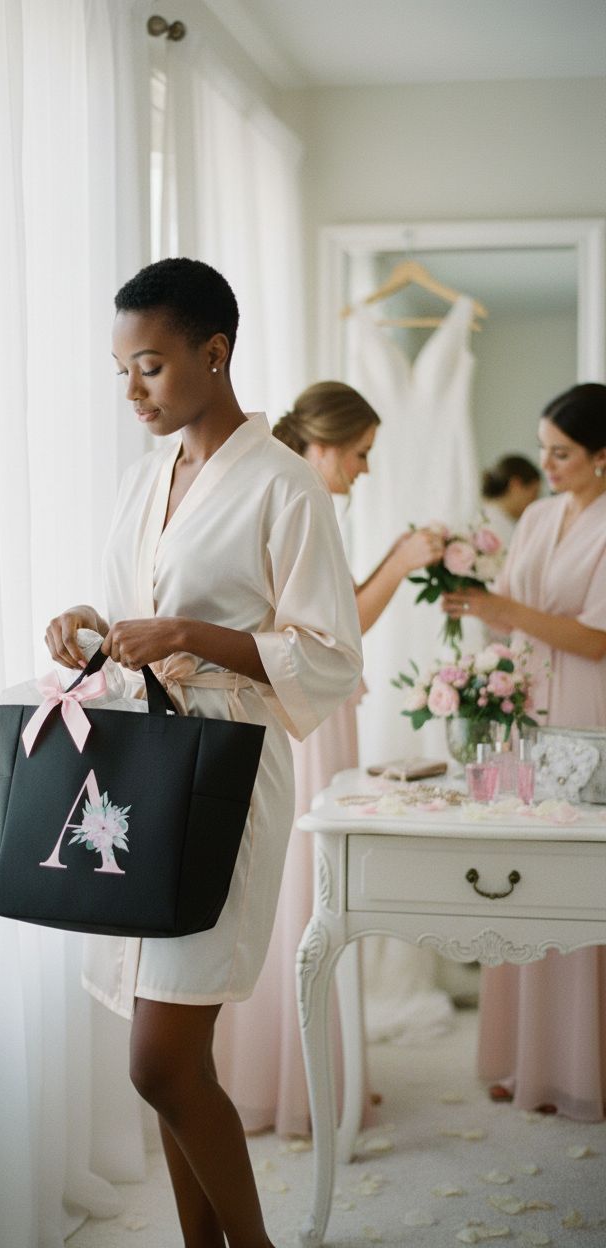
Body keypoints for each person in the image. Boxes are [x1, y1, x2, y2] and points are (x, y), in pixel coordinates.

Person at [44, 260, 363, 1248]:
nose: (132, 391)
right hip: (144, 778)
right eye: (120, 372)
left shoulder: (285, 488)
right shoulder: (150, 479)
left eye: (148, 366)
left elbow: (330, 658)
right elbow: (126, 625)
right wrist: (84, 628)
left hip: (224, 782)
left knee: (160, 1064)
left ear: (213, 353)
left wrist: (190, 633)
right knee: (177, 1065)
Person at [214, 381, 447, 1137]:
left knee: (315, 896)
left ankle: (317, 1077)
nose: (365, 470)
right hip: (302, 717)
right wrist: (406, 559)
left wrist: (395, 559)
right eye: (361, 454)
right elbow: (344, 627)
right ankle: (296, 1084)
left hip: (319, 710)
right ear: (323, 444)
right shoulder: (294, 497)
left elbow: (337, 606)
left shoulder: (297, 496)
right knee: (304, 895)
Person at [443, 382, 606, 1121]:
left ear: (603, 457)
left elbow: (599, 639)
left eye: (562, 453)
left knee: (579, 882)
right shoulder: (537, 515)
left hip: (588, 707)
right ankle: (526, 1059)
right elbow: (504, 612)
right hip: (528, 710)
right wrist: (475, 615)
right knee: (524, 872)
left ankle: (582, 1068)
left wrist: (507, 611)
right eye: (542, 449)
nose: (546, 464)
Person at [481, 453, 542, 545]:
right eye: (534, 494)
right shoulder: (494, 528)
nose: (535, 502)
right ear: (515, 485)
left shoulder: (492, 518)